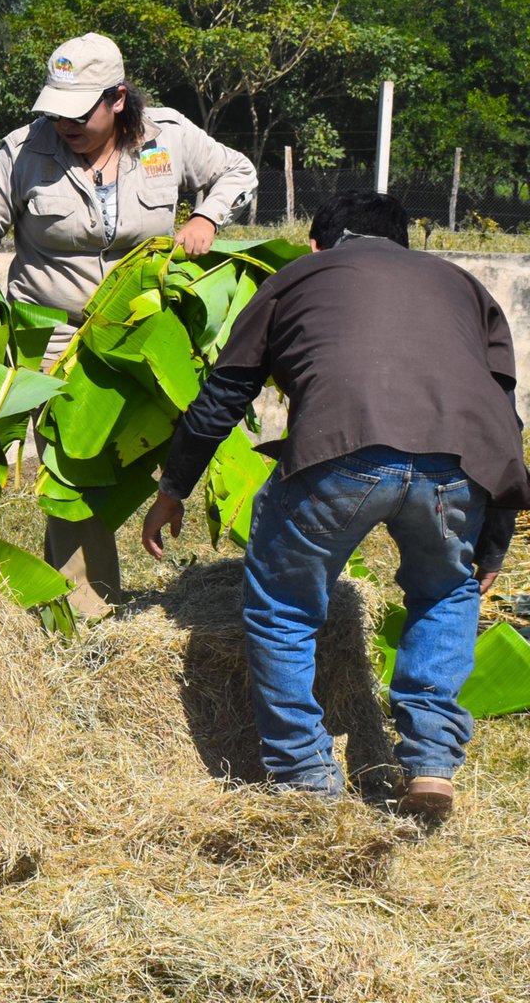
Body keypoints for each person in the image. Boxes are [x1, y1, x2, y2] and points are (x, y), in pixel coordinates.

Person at [140, 190, 530, 816]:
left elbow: (221, 399)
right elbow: (502, 422)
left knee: (284, 608)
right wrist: (494, 540)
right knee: (445, 591)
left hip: (339, 452)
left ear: (319, 244)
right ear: (405, 249)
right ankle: (431, 762)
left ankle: (304, 774)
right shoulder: (463, 287)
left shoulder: (298, 276)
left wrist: (172, 489)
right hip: (459, 467)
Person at [0, 32, 256, 617]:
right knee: (75, 471)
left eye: (78, 110)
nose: (63, 122)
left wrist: (208, 217)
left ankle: (263, 593)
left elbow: (236, 172)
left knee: (201, 444)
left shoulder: (169, 137)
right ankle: (86, 616)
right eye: (55, 109)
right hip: (60, 337)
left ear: (117, 99)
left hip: (151, 333)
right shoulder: (22, 152)